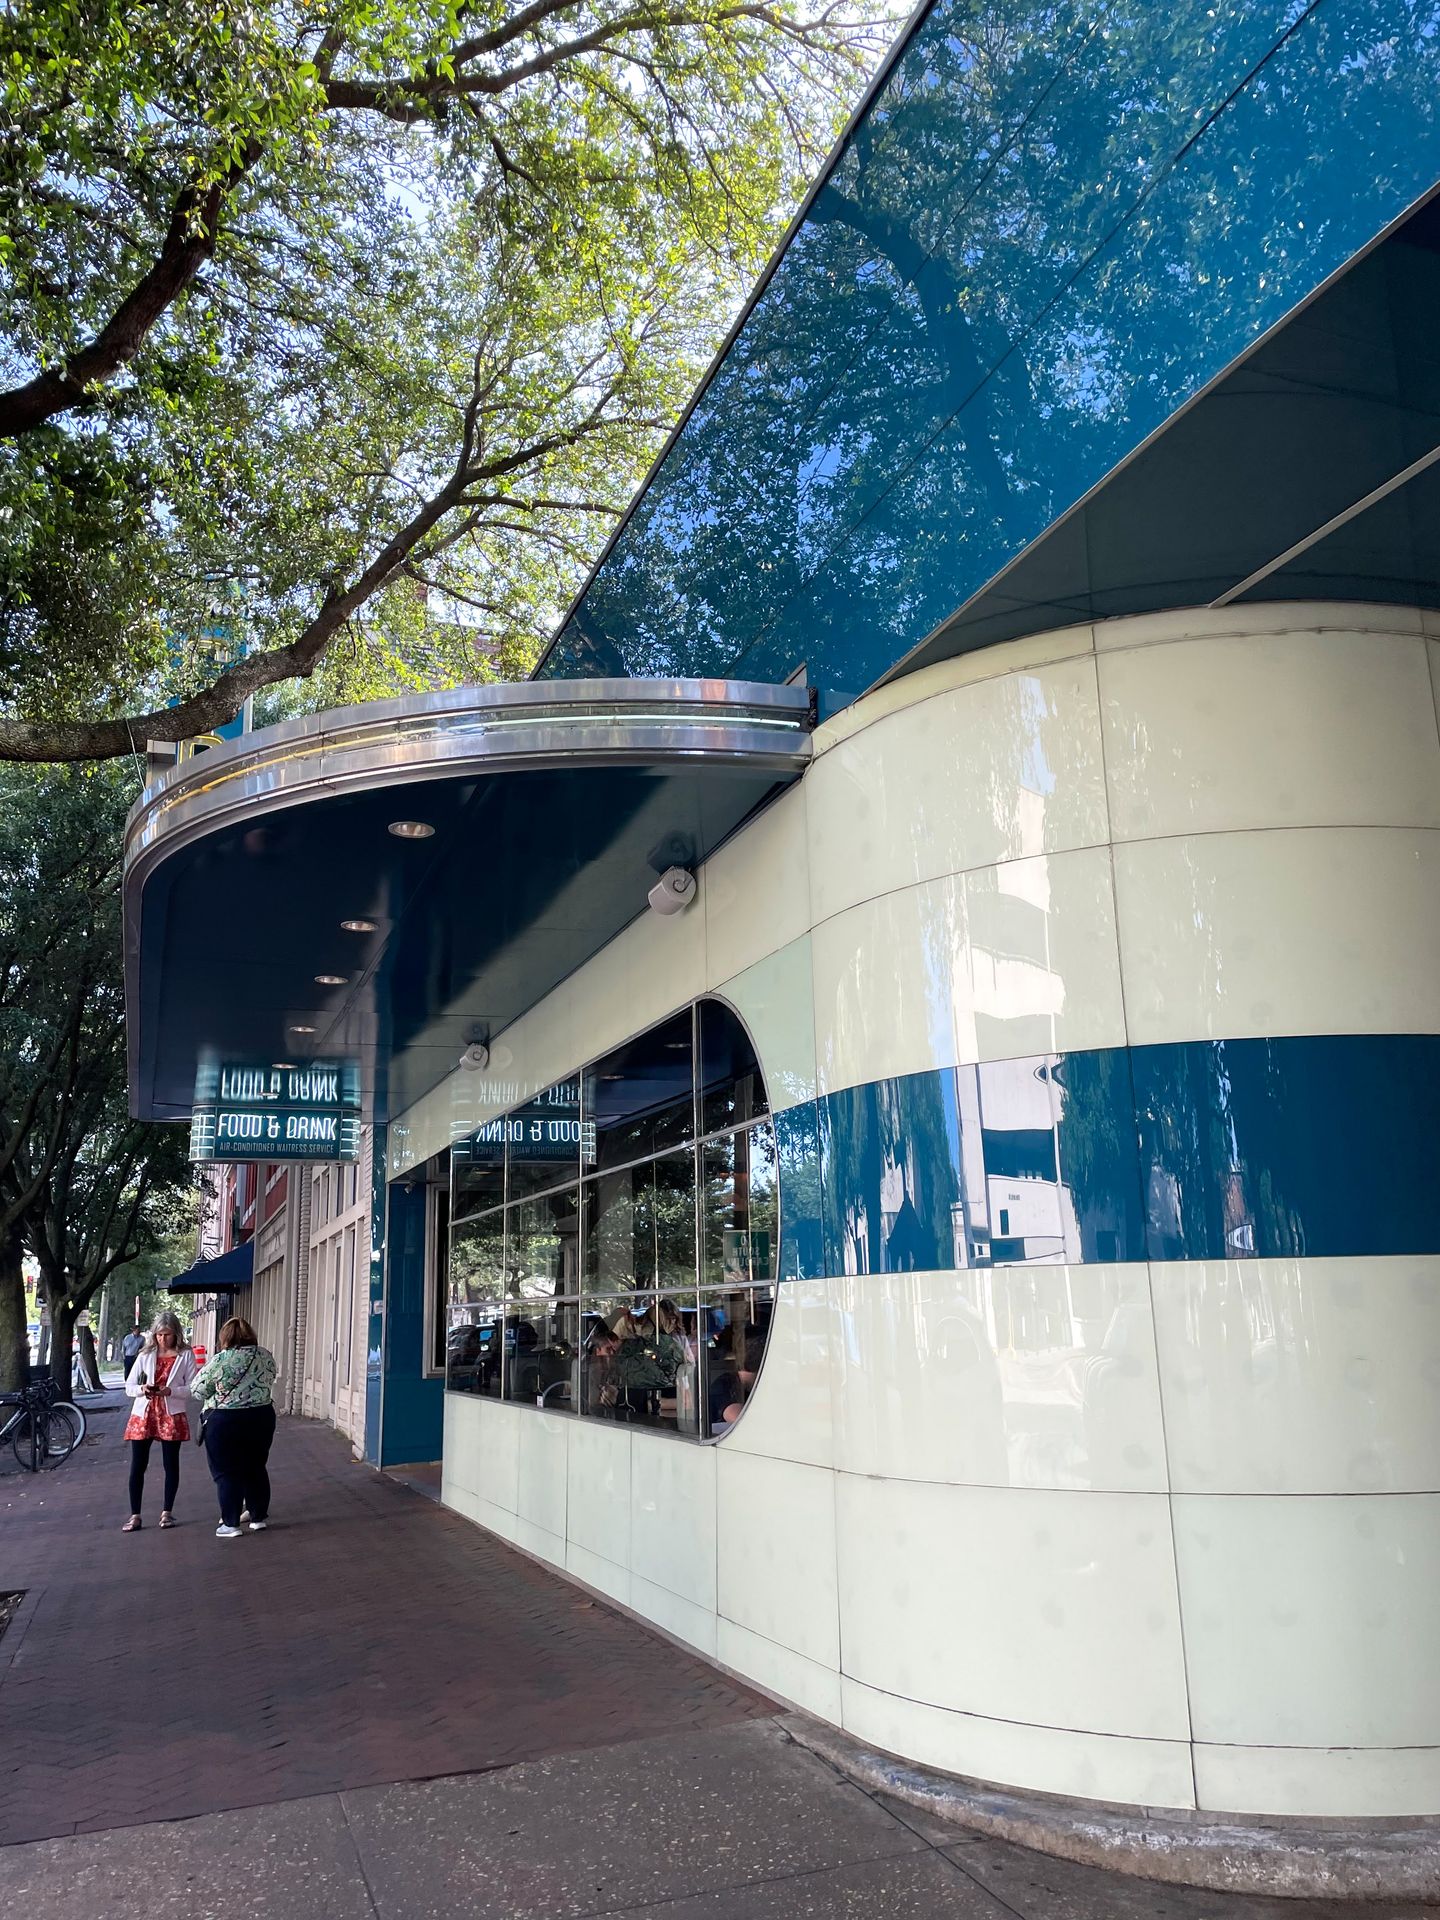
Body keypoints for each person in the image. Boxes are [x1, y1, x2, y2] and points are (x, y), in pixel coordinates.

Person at [191, 1316, 278, 1539]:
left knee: (226, 1471)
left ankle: (231, 1523)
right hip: (261, 1417)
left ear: (225, 1338)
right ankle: (257, 1517)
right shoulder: (265, 1355)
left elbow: (198, 1390)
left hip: (226, 1421)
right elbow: (271, 1378)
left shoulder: (221, 1360)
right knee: (256, 1466)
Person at [122, 1310, 197, 1531]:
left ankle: (167, 1512)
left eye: (167, 1334)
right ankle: (135, 1514)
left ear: (176, 1334)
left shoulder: (185, 1355)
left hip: (170, 1413)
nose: (163, 1339)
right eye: (159, 1335)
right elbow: (129, 1386)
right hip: (144, 1413)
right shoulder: (145, 1355)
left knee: (170, 1464)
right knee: (138, 1464)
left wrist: (170, 1391)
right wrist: (142, 1389)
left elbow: (193, 1387)